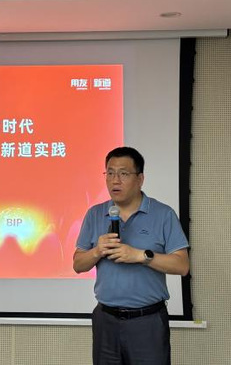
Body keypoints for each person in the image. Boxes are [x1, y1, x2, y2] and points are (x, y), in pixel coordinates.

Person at [73, 146, 189, 365]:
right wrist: (97, 251)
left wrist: (141, 256)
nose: (115, 180)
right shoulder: (95, 214)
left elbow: (182, 265)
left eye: (123, 173)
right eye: (110, 173)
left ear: (140, 179)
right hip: (106, 320)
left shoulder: (163, 214)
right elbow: (78, 264)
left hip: (147, 322)